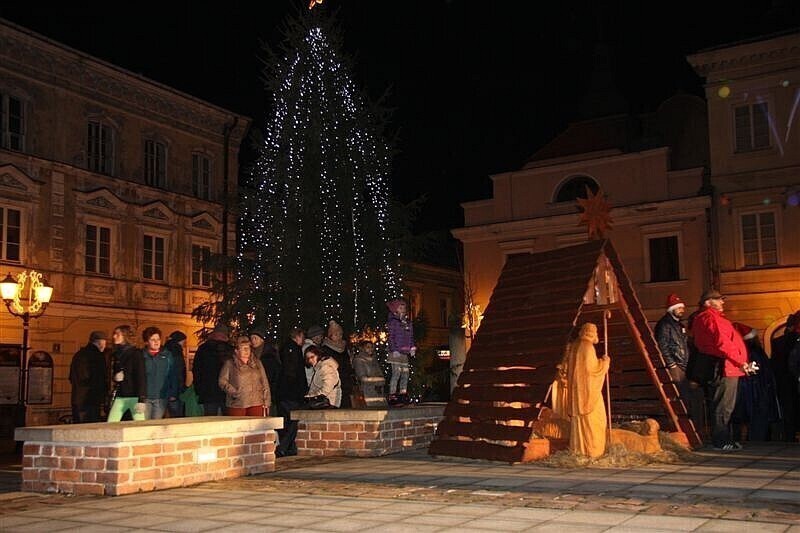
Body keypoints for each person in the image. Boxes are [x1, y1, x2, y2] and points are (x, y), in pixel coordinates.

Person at [690, 289, 750, 451]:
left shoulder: (708, 318)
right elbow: (723, 342)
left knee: (723, 405)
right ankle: (721, 441)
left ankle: (724, 439)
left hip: (725, 365)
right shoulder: (711, 318)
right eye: (719, 300)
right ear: (708, 303)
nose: (723, 302)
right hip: (725, 366)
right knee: (723, 405)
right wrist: (741, 362)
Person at [655, 293, 705, 437]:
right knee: (683, 398)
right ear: (672, 309)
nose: (682, 310)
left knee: (690, 398)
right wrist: (671, 364)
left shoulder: (678, 325)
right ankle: (686, 432)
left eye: (683, 308)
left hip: (683, 366)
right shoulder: (665, 324)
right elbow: (662, 345)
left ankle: (694, 431)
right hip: (676, 366)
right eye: (679, 308)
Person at [565, 322, 610, 459]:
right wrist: (604, 363)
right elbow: (592, 371)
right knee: (597, 420)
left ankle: (579, 450)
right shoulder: (587, 347)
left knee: (580, 424)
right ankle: (592, 451)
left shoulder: (575, 346)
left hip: (578, 394)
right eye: (595, 332)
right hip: (589, 395)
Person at [731, 323, 780, 441]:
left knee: (750, 417)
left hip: (753, 390)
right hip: (758, 391)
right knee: (758, 418)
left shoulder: (749, 353)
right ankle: (758, 440)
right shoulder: (756, 353)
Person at [276, 327, 309, 457]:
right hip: (291, 393)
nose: (304, 340)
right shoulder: (293, 350)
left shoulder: (285, 349)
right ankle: (284, 447)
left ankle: (289, 447)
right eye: (303, 337)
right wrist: (301, 390)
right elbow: (294, 373)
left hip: (285, 393)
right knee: (292, 421)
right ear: (298, 336)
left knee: (288, 421)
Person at [219, 337, 271, 416]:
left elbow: (264, 382)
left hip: (256, 402)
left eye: (248, 348)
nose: (246, 351)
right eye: (243, 348)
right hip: (238, 403)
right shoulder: (230, 364)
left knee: (255, 427)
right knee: (239, 427)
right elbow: (222, 381)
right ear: (237, 351)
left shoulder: (257, 363)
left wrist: (267, 401)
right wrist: (234, 392)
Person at [107, 325, 147, 422]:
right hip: (121, 395)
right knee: (111, 422)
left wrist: (141, 400)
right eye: (114, 334)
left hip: (134, 396)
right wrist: (115, 378)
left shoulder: (136, 353)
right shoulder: (116, 354)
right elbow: (115, 374)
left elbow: (141, 376)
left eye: (117, 334)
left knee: (139, 426)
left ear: (125, 336)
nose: (114, 336)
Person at [192, 324, 233, 416]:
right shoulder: (230, 350)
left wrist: (198, 389)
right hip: (226, 393)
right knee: (228, 422)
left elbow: (197, 370)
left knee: (209, 421)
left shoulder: (203, 348)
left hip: (208, 392)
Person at [772, 311, 800, 442]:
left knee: (788, 412)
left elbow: (775, 365)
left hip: (784, 383)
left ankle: (789, 437)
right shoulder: (795, 341)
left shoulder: (778, 342)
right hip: (793, 381)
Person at [69, 330, 108, 423]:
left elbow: (71, 377)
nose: (105, 346)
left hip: (77, 399)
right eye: (105, 343)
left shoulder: (78, 354)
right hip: (91, 400)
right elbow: (100, 379)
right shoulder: (98, 356)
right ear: (100, 343)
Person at [141, 326, 177, 420]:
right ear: (146, 341)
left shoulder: (167, 355)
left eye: (158, 339)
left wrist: (173, 393)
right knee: (143, 425)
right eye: (153, 339)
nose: (156, 342)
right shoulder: (141, 356)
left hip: (161, 397)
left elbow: (172, 374)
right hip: (145, 397)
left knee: (156, 425)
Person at [386, 298, 416, 405]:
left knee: (405, 373)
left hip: (404, 353)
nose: (403, 309)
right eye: (400, 307)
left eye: (404, 307)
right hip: (396, 353)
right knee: (396, 373)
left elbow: (411, 336)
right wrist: (393, 349)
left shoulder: (408, 323)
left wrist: (412, 347)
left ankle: (403, 393)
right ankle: (393, 395)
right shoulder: (393, 322)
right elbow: (391, 337)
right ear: (395, 309)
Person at [320, 320, 355, 408]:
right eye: (336, 335)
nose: (339, 337)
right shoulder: (326, 348)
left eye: (340, 334)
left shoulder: (344, 347)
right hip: (334, 381)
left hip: (346, 380)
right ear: (330, 335)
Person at [250, 325, 281, 412]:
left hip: (268, 392)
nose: (253, 341)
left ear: (262, 339)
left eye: (255, 338)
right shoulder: (252, 354)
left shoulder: (269, 355)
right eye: (251, 338)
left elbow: (271, 376)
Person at [353, 340, 387, 407]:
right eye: (368, 347)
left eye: (371, 347)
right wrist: (377, 380)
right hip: (367, 393)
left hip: (379, 393)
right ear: (362, 348)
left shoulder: (374, 360)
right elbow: (363, 378)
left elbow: (382, 377)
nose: (370, 349)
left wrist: (378, 380)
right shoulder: (359, 360)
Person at [164, 331, 188, 418]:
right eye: (184, 342)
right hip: (175, 390)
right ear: (179, 341)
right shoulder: (176, 351)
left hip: (165, 391)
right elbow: (178, 373)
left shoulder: (165, 350)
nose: (184, 344)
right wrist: (178, 390)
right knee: (176, 416)